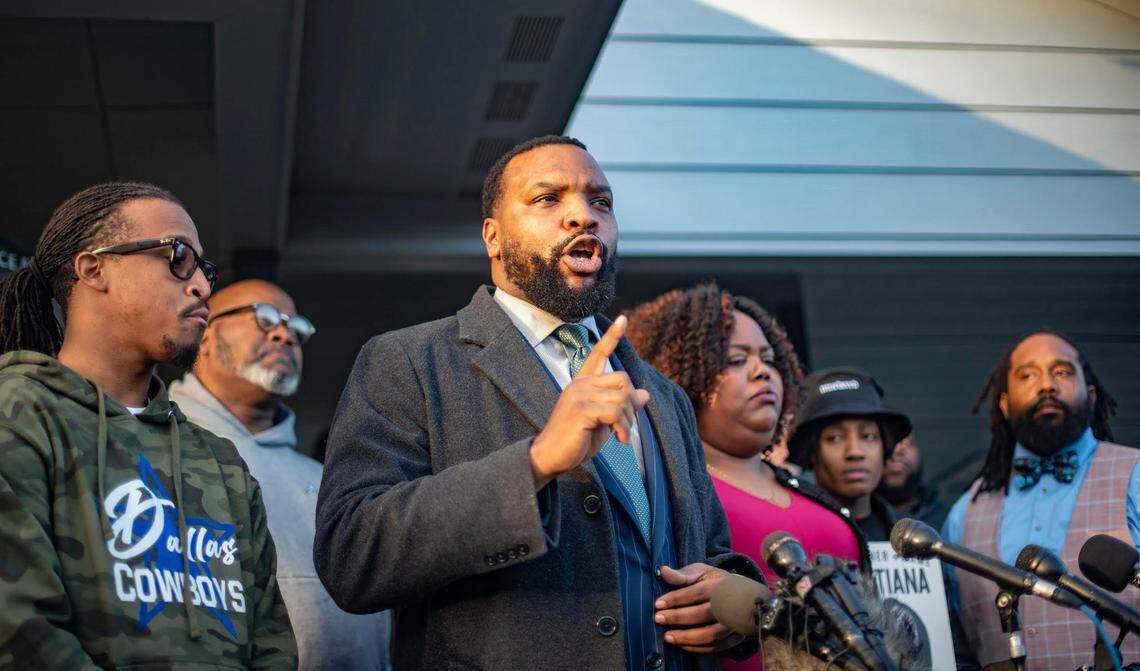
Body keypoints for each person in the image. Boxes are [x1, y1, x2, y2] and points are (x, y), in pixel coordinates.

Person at [315, 135, 761, 670]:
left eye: (601, 202)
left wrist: (733, 601)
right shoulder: (408, 361)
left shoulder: (662, 395)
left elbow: (707, 549)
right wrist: (536, 462)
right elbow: (352, 557)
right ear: (494, 237)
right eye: (548, 199)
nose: (582, 215)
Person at [0, 182, 296, 668]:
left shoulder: (218, 458)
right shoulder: (21, 413)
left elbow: (272, 643)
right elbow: (19, 630)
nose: (202, 284)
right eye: (177, 255)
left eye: (204, 267)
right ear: (93, 268)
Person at [624, 284, 877, 670]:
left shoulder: (810, 490)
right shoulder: (675, 494)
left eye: (769, 359)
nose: (762, 372)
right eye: (737, 360)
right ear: (687, 376)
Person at [169, 279, 391, 670]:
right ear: (203, 335)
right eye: (265, 317)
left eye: (297, 327)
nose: (285, 335)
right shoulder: (157, 450)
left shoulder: (323, 478)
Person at [943, 331, 1140, 669]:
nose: (1047, 384)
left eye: (1062, 372)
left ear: (1091, 396)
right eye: (1028, 374)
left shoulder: (1135, 474)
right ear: (1004, 404)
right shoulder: (965, 512)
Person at [788, 368, 911, 543]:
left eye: (868, 436)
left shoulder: (913, 540)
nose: (855, 452)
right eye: (835, 438)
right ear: (811, 453)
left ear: (884, 448)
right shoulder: (789, 537)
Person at [876, 430, 950, 532]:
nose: (898, 450)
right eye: (887, 442)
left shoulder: (947, 516)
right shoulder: (856, 515)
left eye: (909, 443)